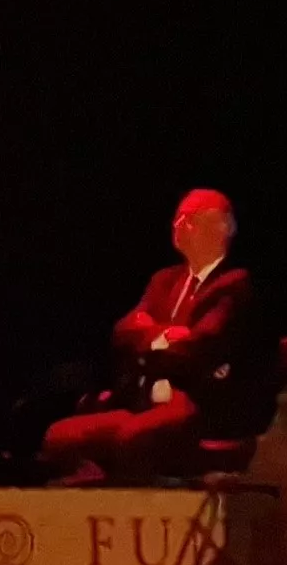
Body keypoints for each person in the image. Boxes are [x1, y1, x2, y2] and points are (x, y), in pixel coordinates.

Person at [41, 189, 273, 482]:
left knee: (133, 439)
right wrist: (165, 335)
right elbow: (123, 331)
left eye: (190, 220)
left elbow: (198, 350)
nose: (178, 226)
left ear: (223, 228)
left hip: (198, 413)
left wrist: (151, 341)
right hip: (143, 404)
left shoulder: (237, 286)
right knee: (60, 437)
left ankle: (134, 500)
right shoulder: (164, 281)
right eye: (178, 219)